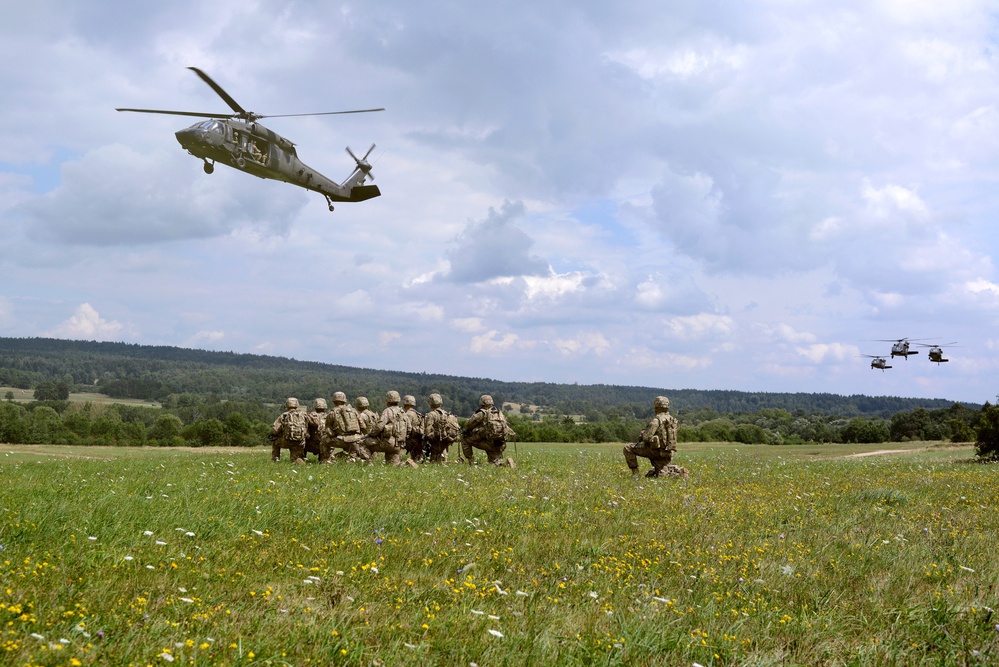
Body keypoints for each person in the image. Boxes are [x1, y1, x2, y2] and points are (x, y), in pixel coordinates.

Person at [623, 396, 687, 479]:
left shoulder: (656, 420)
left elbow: (647, 438)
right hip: (668, 452)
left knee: (628, 448)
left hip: (656, 451)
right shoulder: (672, 420)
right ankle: (679, 472)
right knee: (659, 474)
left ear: (656, 407)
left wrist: (642, 434)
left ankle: (635, 474)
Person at [356, 390, 418, 467]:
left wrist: (370, 435)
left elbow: (379, 427)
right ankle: (407, 465)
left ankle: (368, 464)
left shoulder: (388, 411)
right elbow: (409, 429)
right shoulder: (402, 412)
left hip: (388, 443)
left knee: (362, 442)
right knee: (393, 465)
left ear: (387, 401)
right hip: (398, 445)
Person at [461, 394, 516, 467]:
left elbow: (468, 425)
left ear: (481, 403)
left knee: (465, 439)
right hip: (500, 444)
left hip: (488, 442)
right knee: (493, 463)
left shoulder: (481, 413)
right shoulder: (499, 413)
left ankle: (471, 461)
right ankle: (506, 464)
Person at [324, 391, 364, 461]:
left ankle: (327, 460)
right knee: (353, 454)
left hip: (341, 440)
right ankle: (351, 457)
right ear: (345, 401)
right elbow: (363, 426)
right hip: (356, 439)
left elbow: (328, 429)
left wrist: (333, 435)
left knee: (323, 440)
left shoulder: (332, 413)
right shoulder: (353, 411)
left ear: (334, 401)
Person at [270, 397, 308, 463]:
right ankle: (298, 459)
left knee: (275, 442)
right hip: (300, 442)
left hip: (287, 441)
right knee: (295, 458)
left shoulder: (284, 415)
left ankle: (275, 459)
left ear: (287, 405)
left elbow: (275, 430)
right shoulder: (303, 415)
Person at [423, 393, 460, 463]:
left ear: (430, 402)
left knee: (434, 459)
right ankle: (444, 459)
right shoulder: (446, 414)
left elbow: (427, 432)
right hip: (446, 438)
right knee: (443, 451)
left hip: (436, 439)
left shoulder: (431, 414)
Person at [402, 395, 425, 462]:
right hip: (418, 439)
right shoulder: (417, 414)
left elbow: (406, 428)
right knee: (417, 457)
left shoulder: (408, 414)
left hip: (411, 439)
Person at [304, 398, 328, 462]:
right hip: (325, 445)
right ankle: (323, 460)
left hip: (310, 445)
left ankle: (302, 458)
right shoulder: (329, 416)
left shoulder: (310, 416)